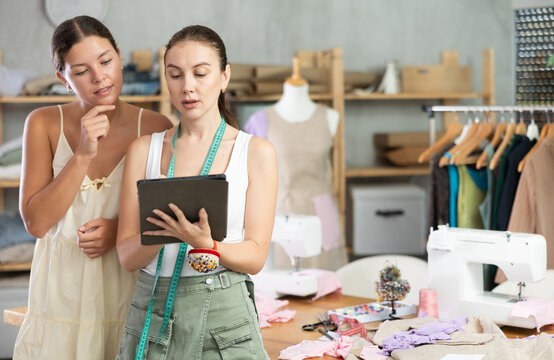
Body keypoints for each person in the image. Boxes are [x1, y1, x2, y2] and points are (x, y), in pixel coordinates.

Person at [13, 16, 173, 360]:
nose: (100, 76)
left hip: (127, 291)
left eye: (106, 61)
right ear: (63, 79)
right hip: (60, 296)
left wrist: (119, 231)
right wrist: (83, 153)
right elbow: (37, 223)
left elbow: (169, 220)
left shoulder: (157, 127)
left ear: (118, 56)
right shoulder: (42, 123)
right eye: (81, 70)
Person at [115, 25, 277, 359]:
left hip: (224, 312)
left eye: (200, 73)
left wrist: (209, 246)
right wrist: (167, 232)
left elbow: (256, 255)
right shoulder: (143, 150)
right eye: (175, 75)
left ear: (224, 76)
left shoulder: (256, 152)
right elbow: (127, 257)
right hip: (152, 307)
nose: (187, 87)